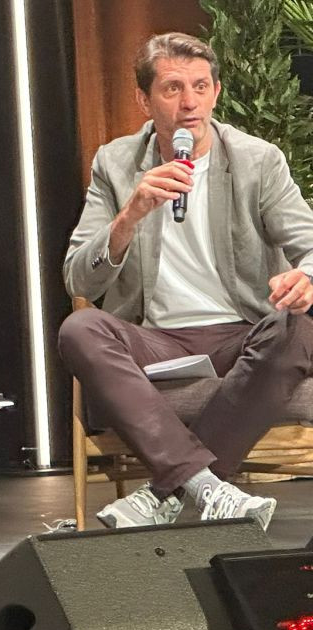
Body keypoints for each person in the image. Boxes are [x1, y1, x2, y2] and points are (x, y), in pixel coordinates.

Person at [60, 33, 313, 530]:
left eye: (200, 86)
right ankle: (206, 489)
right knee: (80, 330)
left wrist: (306, 276)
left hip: (241, 332)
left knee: (299, 327)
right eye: (173, 88)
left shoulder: (256, 159)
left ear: (216, 92)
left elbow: (308, 239)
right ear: (144, 99)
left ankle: (169, 491)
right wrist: (128, 216)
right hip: (156, 339)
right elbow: (77, 277)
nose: (190, 102)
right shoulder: (115, 163)